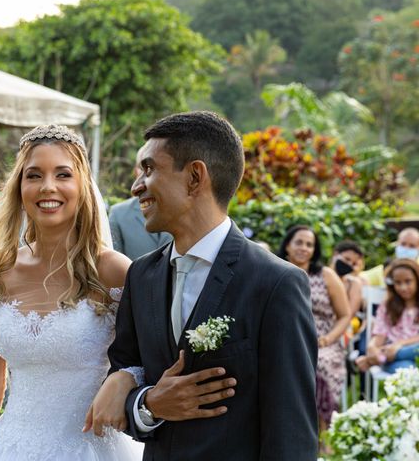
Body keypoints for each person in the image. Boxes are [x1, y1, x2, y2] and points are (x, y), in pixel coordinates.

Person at [0, 124, 233, 460]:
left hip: (94, 447)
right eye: (33, 175)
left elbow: (144, 361)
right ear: (18, 186)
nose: (47, 187)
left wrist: (126, 380)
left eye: (62, 175)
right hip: (10, 448)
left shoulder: (115, 272)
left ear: (83, 186)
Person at [105, 111, 318, 460]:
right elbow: (125, 371)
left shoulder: (276, 283)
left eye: (149, 169)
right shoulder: (141, 276)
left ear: (194, 176)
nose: (136, 186)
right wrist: (149, 405)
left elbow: (291, 432)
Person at [277, 225, 351, 435]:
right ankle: (287, 426)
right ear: (288, 246)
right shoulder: (275, 270)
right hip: (285, 339)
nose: (304, 248)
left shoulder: (326, 275)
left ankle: (322, 430)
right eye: (299, 242)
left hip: (323, 341)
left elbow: (345, 315)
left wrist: (328, 339)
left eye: (309, 244)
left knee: (318, 363)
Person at [355, 258, 419, 374]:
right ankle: (379, 358)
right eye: (398, 283)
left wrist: (399, 345)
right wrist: (372, 347)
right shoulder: (387, 307)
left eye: (408, 281)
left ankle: (371, 361)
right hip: (392, 360)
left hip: (400, 351)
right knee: (410, 372)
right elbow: (380, 335)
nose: (403, 287)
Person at [109, 146, 172, 260]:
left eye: (151, 167)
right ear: (135, 171)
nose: (147, 173)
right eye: (141, 167)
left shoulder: (183, 208)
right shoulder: (118, 214)